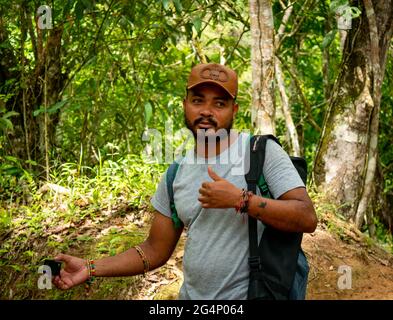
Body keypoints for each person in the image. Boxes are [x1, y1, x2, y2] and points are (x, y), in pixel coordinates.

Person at [53, 63, 317, 299]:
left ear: (234, 109)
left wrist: (241, 200)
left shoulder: (261, 152)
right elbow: (154, 250)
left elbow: (306, 217)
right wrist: (89, 267)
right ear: (185, 104)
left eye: (220, 104)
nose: (206, 111)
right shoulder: (176, 173)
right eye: (198, 100)